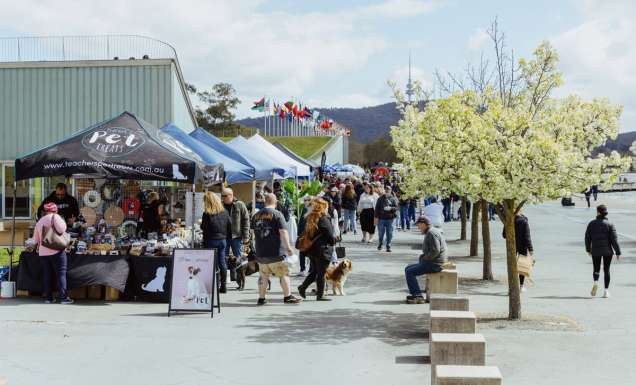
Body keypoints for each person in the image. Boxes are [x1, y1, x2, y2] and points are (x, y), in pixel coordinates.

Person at [251, 193, 301, 305]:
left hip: (261, 252)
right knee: (283, 274)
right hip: (276, 252)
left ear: (265, 202)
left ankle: (261, 298)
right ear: (276, 202)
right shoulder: (278, 214)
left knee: (263, 276)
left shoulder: (256, 215)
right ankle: (287, 297)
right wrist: (288, 248)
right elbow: (283, 232)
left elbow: (253, 233)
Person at [297, 198, 337, 301]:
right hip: (323, 249)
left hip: (312, 250)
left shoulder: (310, 217)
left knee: (315, 271)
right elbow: (329, 234)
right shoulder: (323, 218)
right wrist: (334, 241)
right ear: (323, 207)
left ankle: (303, 287)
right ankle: (320, 295)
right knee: (321, 273)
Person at [33, 202, 73, 304]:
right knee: (61, 274)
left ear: (45, 211)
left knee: (47, 274)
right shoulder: (55, 217)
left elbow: (36, 239)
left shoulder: (40, 221)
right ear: (55, 210)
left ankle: (49, 298)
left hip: (43, 252)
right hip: (56, 250)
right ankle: (63, 298)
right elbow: (62, 229)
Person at [404, 216, 448, 304]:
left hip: (435, 264)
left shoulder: (431, 233)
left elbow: (435, 251)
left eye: (419, 225)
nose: (418, 227)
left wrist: (424, 258)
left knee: (410, 272)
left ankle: (418, 296)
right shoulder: (431, 231)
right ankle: (415, 293)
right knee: (408, 268)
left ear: (424, 224)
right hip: (435, 261)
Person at [585, 205, 621, 298]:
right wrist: (617, 252)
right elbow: (614, 239)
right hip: (607, 251)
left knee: (596, 268)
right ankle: (606, 291)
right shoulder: (610, 224)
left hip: (596, 250)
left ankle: (596, 282)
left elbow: (587, 238)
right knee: (606, 270)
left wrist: (588, 249)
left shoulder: (591, 223)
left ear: (598, 212)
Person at [200, 192, 231, 293]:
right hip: (222, 240)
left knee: (209, 263)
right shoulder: (225, 212)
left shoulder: (207, 213)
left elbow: (203, 227)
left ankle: (211, 284)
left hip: (210, 240)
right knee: (222, 263)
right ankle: (223, 285)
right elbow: (230, 226)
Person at [222, 188, 250, 283]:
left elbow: (246, 220)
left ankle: (237, 278)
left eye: (225, 196)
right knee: (224, 257)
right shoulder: (220, 205)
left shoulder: (240, 204)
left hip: (236, 236)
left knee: (238, 258)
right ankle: (225, 278)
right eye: (223, 196)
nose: (223, 198)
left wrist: (246, 236)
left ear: (231, 195)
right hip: (224, 236)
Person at [502, 210, 534, 292]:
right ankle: (521, 285)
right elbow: (527, 237)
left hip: (511, 246)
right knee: (522, 266)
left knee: (512, 266)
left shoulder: (509, 220)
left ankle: (511, 286)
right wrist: (531, 249)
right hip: (522, 246)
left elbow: (504, 235)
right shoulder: (524, 221)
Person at [375, 185, 398, 252]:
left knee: (390, 233)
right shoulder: (380, 198)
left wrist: (391, 208)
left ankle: (388, 245)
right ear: (384, 191)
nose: (387, 191)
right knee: (381, 233)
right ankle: (380, 243)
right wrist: (376, 217)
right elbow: (377, 208)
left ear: (391, 190)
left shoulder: (393, 198)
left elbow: (396, 207)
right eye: (386, 190)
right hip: (381, 218)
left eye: (388, 190)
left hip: (390, 218)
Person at [296, 195, 313, 276]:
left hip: (306, 234)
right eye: (305, 200)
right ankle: (308, 269)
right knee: (308, 252)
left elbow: (302, 223)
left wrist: (299, 234)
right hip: (307, 234)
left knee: (303, 252)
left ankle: (304, 269)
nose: (305, 201)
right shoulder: (307, 209)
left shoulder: (307, 209)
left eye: (307, 200)